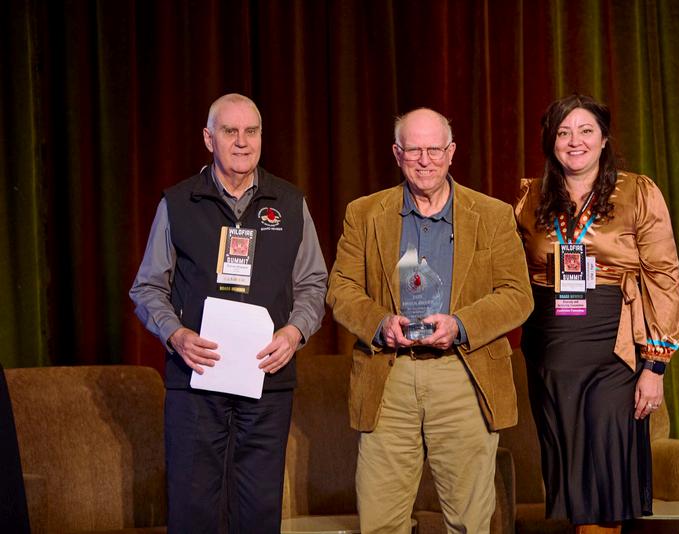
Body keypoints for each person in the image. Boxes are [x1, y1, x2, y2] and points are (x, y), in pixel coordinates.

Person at [327, 107, 533, 533]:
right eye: (414, 150)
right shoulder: (364, 213)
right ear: (397, 154)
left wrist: (460, 325)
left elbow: (517, 296)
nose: (425, 160)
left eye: (434, 150)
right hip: (390, 376)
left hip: (464, 371)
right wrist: (380, 323)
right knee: (381, 522)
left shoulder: (493, 215)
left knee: (470, 522)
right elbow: (341, 289)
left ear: (451, 152)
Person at [130, 93, 327, 533]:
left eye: (251, 131)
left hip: (266, 382)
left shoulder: (290, 202)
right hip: (196, 382)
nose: (242, 142)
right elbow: (147, 287)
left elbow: (314, 283)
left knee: (258, 512)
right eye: (230, 131)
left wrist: (295, 333)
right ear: (208, 138)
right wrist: (176, 334)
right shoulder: (178, 203)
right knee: (193, 511)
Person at [515, 94, 679, 534]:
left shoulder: (638, 192)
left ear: (604, 138)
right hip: (551, 353)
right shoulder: (530, 198)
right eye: (564, 132)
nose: (575, 141)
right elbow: (514, 275)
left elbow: (664, 277)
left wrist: (656, 365)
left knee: (606, 478)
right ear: (551, 141)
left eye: (586, 130)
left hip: (615, 352)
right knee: (574, 483)